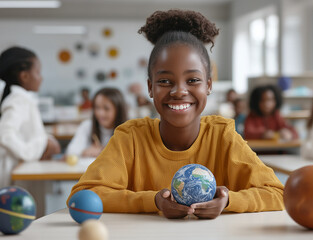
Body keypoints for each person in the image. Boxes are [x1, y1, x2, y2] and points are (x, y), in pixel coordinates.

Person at [68, 10, 284, 219]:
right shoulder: (130, 138)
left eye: (192, 80)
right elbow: (81, 196)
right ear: (150, 87)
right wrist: (153, 201)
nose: (179, 91)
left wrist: (228, 201)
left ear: (208, 85)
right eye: (164, 81)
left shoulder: (222, 137)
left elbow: (277, 193)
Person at [0, 46, 61, 188]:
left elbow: (30, 132)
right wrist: (33, 151)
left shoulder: (22, 98)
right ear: (25, 76)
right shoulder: (19, 100)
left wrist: (47, 140)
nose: (41, 78)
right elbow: (4, 135)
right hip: (19, 171)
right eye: (38, 72)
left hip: (23, 169)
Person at [66, 88, 128, 158]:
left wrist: (103, 151)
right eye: (97, 107)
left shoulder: (127, 130)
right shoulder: (87, 126)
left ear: (118, 110)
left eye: (106, 108)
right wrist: (85, 152)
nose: (100, 113)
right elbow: (71, 152)